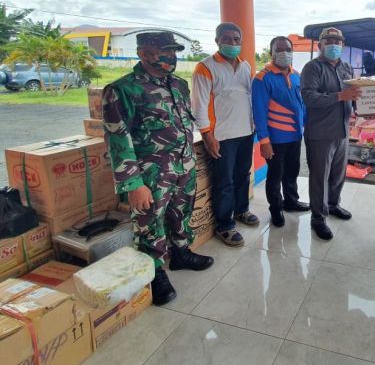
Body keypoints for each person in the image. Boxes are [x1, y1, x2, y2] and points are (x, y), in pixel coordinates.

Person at [102, 31, 214, 306]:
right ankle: (153, 272)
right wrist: (133, 184)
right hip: (150, 172)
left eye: (173, 52)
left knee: (181, 212)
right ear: (143, 53)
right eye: (164, 52)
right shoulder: (122, 90)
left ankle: (180, 253)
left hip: (183, 165)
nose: (171, 57)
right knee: (149, 223)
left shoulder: (178, 84)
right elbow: (118, 139)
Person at [191, 23, 259, 248]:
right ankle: (224, 225)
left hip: (246, 132)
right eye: (227, 39)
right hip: (222, 136)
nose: (232, 43)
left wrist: (254, 124)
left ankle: (241, 210)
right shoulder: (205, 67)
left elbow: (248, 98)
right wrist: (207, 134)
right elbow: (199, 105)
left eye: (236, 39)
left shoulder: (245, 66)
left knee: (242, 175)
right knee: (224, 182)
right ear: (217, 41)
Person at [301, 27, 360, 240]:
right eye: (329, 41)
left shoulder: (346, 67)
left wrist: (360, 107)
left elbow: (353, 96)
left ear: (343, 45)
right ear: (320, 45)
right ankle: (318, 218)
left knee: (338, 174)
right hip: (320, 133)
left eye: (338, 41)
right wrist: (339, 96)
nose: (334, 44)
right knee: (319, 178)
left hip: (342, 130)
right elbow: (309, 98)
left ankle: (334, 205)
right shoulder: (312, 68)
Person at [252, 36, 309, 228]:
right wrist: (264, 141)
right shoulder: (262, 78)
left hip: (295, 136)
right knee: (275, 176)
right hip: (274, 139)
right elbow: (259, 112)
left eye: (288, 49)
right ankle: (275, 209)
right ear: (271, 53)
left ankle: (291, 202)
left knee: (292, 172)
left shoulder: (297, 75)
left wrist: (306, 126)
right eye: (280, 49)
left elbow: (302, 104)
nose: (285, 53)